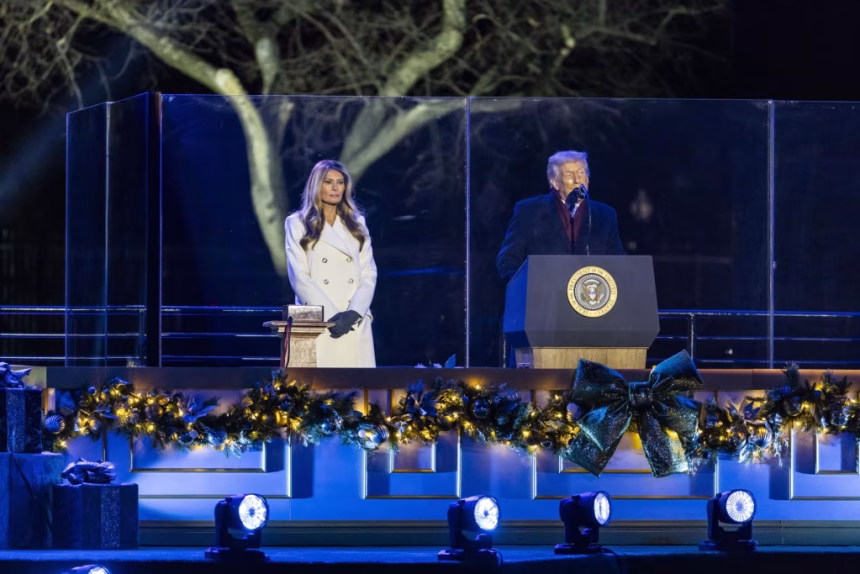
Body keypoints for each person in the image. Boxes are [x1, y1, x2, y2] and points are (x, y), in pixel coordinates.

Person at [285, 160, 377, 367]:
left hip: (354, 320)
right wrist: (331, 316)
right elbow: (299, 277)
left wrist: (354, 313)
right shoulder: (297, 223)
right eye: (328, 182)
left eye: (340, 182)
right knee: (316, 385)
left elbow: (369, 272)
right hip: (318, 320)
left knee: (357, 384)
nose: (335, 188)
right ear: (317, 185)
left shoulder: (357, 223)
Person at [496, 150, 626, 281]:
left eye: (581, 173)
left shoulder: (605, 215)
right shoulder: (528, 211)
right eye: (569, 175)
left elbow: (619, 264)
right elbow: (508, 259)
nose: (577, 180)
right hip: (543, 292)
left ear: (588, 178)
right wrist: (528, 285)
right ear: (554, 182)